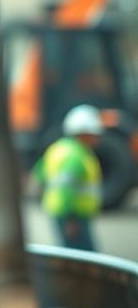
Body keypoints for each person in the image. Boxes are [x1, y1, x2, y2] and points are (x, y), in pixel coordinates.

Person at [33, 104, 104, 252]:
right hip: (73, 216)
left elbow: (39, 174)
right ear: (83, 133)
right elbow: (66, 188)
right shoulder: (76, 155)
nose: (97, 138)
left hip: (60, 212)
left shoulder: (58, 148)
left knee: (70, 255)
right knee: (84, 259)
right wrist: (70, 221)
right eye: (95, 134)